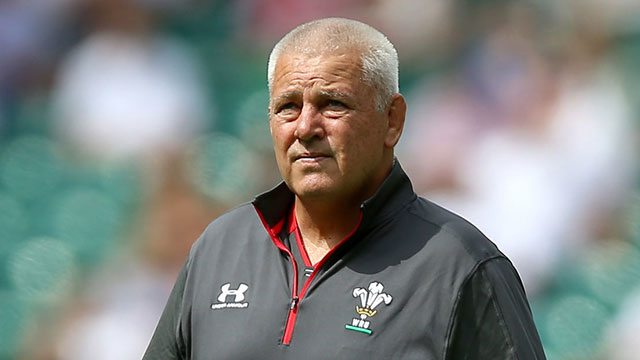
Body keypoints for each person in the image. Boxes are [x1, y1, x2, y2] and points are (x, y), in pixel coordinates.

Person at [143, 17, 546, 359]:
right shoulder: (220, 248)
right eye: (288, 107)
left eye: (332, 104)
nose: (305, 128)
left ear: (392, 120)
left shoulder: (461, 265)